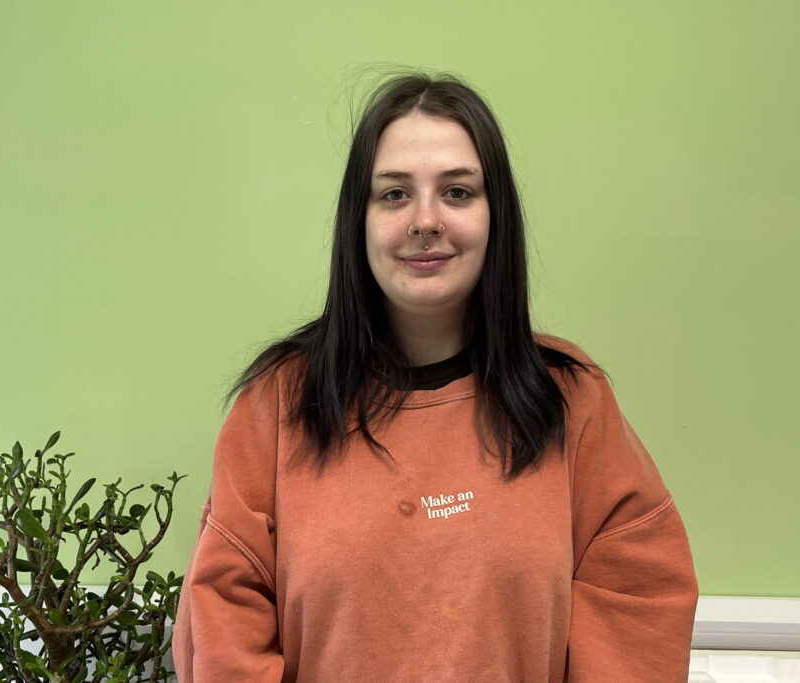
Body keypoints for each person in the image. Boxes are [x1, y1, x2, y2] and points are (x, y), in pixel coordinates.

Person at [173, 70, 698, 682]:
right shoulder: (279, 404)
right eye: (395, 194)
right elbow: (223, 624)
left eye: (457, 192)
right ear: (357, 220)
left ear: (495, 216)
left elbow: (639, 605)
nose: (426, 219)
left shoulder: (572, 401)